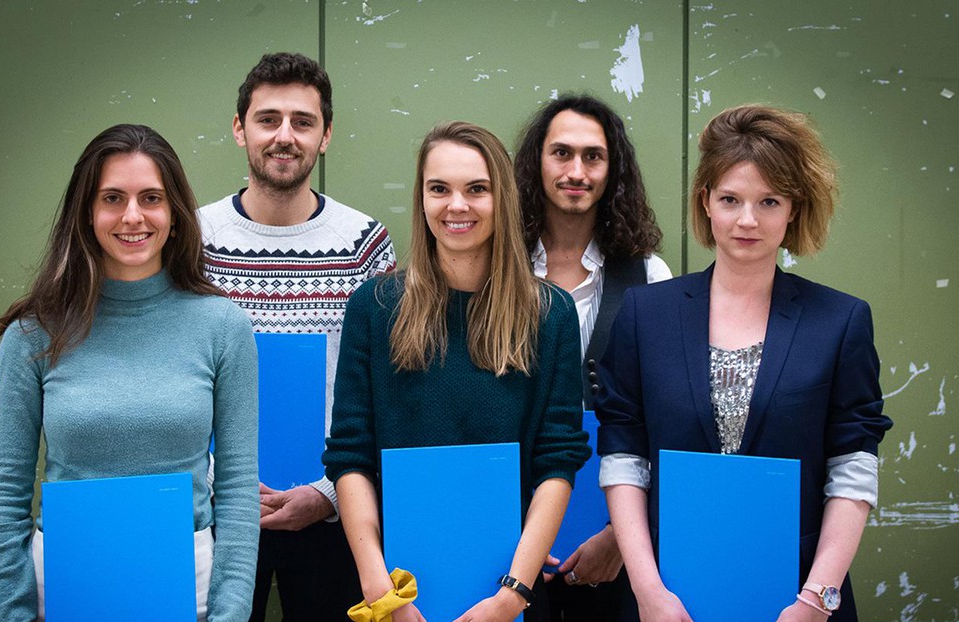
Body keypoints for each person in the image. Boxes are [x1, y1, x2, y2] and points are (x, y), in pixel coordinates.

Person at [595, 104, 893, 621]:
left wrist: (816, 601)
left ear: (794, 209)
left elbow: (853, 468)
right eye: (730, 199)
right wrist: (647, 591)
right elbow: (625, 456)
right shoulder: (647, 313)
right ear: (705, 202)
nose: (748, 220)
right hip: (666, 593)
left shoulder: (840, 320)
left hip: (798, 597)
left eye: (769, 201)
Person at [0, 124, 259, 621]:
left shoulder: (222, 325)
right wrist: (12, 613)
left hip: (191, 596)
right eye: (113, 198)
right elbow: (6, 495)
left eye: (151, 197)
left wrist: (230, 613)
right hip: (66, 591)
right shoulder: (33, 333)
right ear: (87, 214)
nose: (133, 216)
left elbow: (238, 491)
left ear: (174, 214)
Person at [323, 121, 591, 622]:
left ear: (502, 199)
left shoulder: (550, 315)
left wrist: (513, 595)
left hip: (506, 591)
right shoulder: (374, 308)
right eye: (439, 189)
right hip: (393, 590)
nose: (457, 206)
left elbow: (558, 461)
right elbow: (349, 454)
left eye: (477, 189)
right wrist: (382, 590)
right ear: (422, 199)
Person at [197, 51, 396, 621]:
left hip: (333, 510)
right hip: (217, 509)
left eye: (303, 122)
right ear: (240, 129)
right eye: (268, 119)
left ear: (325, 135)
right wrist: (221, 487)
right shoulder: (194, 238)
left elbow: (383, 387)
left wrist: (329, 495)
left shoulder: (365, 243)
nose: (285, 136)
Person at [515, 93, 671, 621]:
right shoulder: (495, 271)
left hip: (615, 536)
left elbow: (665, 421)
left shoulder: (650, 277)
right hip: (508, 532)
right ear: (537, 162)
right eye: (561, 153)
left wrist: (620, 538)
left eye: (593, 156)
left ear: (613, 169)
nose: (576, 171)